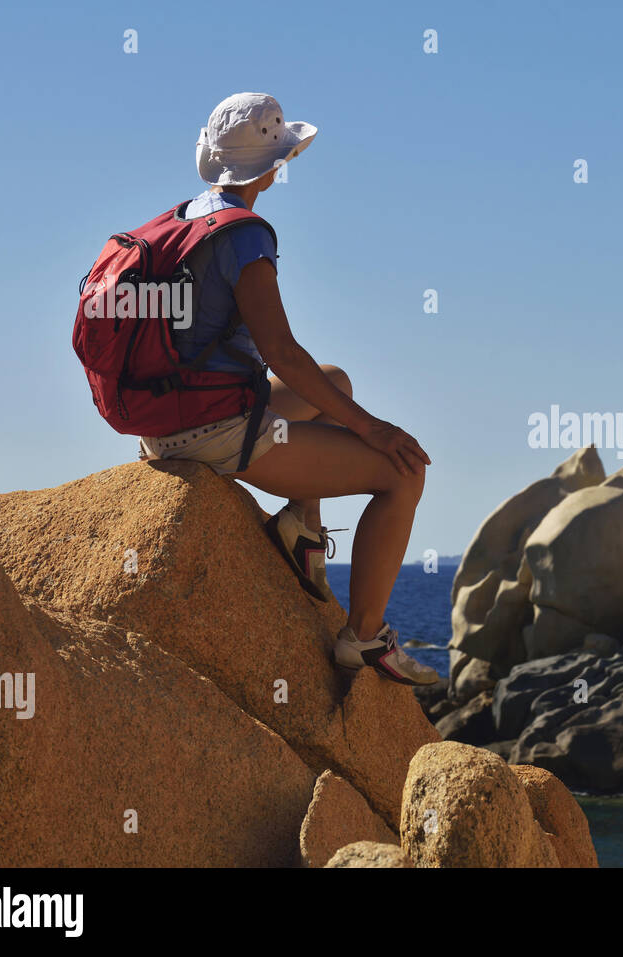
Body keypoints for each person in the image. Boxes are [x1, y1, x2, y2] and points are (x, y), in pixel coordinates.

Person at [137, 92, 437, 686]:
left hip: (162, 419)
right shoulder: (246, 236)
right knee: (403, 472)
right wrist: (371, 428)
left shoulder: (183, 219)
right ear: (269, 168)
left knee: (335, 382)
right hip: (212, 429)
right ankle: (366, 639)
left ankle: (302, 530)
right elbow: (282, 355)